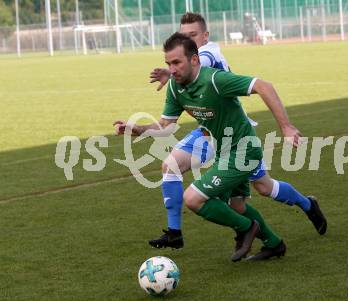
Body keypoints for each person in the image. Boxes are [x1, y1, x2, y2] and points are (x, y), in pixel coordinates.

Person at [115, 33, 327, 261]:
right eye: (168, 63)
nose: (172, 69)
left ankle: (247, 228)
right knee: (237, 205)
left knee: (193, 199)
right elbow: (165, 125)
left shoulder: (215, 80)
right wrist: (135, 129)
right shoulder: (176, 88)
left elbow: (264, 86)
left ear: (194, 60)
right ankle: (274, 244)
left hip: (244, 151)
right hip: (222, 151)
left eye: (177, 62)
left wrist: (286, 127)